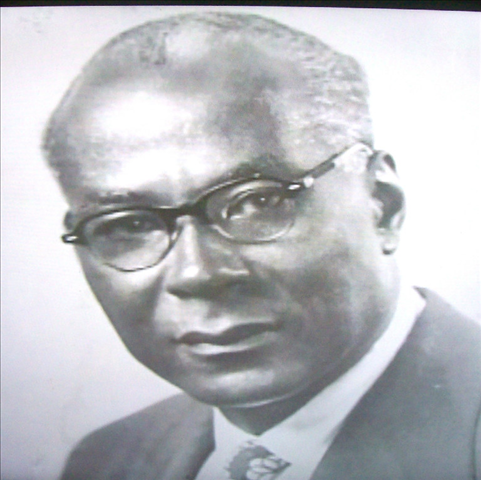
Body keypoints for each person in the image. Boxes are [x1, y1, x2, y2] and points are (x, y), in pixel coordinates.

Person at [42, 11, 481, 480]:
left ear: (382, 204)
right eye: (128, 225)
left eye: (257, 202)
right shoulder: (106, 461)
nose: (197, 273)